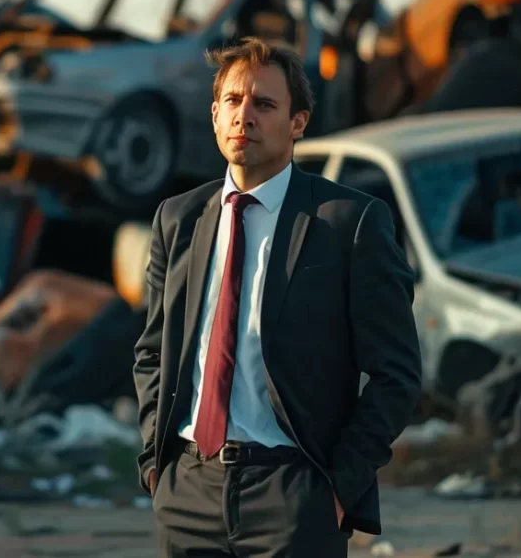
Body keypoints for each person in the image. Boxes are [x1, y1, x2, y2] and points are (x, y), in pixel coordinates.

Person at [132, 37, 423, 557]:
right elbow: (153, 351)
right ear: (215, 114)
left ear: (298, 123)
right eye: (234, 101)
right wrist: (158, 465)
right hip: (187, 491)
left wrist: (339, 484)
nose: (246, 116)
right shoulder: (178, 220)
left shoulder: (348, 222)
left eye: (265, 104)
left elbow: (395, 374)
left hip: (294, 491)